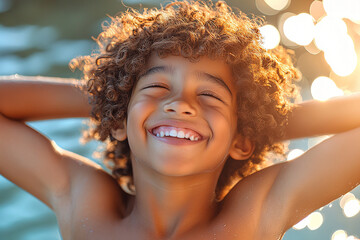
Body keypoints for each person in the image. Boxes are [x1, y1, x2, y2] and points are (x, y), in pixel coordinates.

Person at [1, 1, 360, 239]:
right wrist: (114, 99)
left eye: (209, 96)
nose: (180, 104)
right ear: (119, 121)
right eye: (157, 87)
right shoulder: (88, 205)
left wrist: (258, 125)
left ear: (241, 141)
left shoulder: (254, 215)